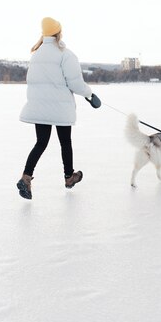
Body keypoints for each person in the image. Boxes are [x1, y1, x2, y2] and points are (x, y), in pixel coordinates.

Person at [17, 17, 96, 199]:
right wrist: (89, 94)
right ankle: (69, 177)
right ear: (59, 32)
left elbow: (33, 82)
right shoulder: (65, 54)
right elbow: (75, 83)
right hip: (60, 108)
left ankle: (26, 177)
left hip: (40, 107)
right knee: (65, 142)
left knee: (41, 143)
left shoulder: (36, 54)